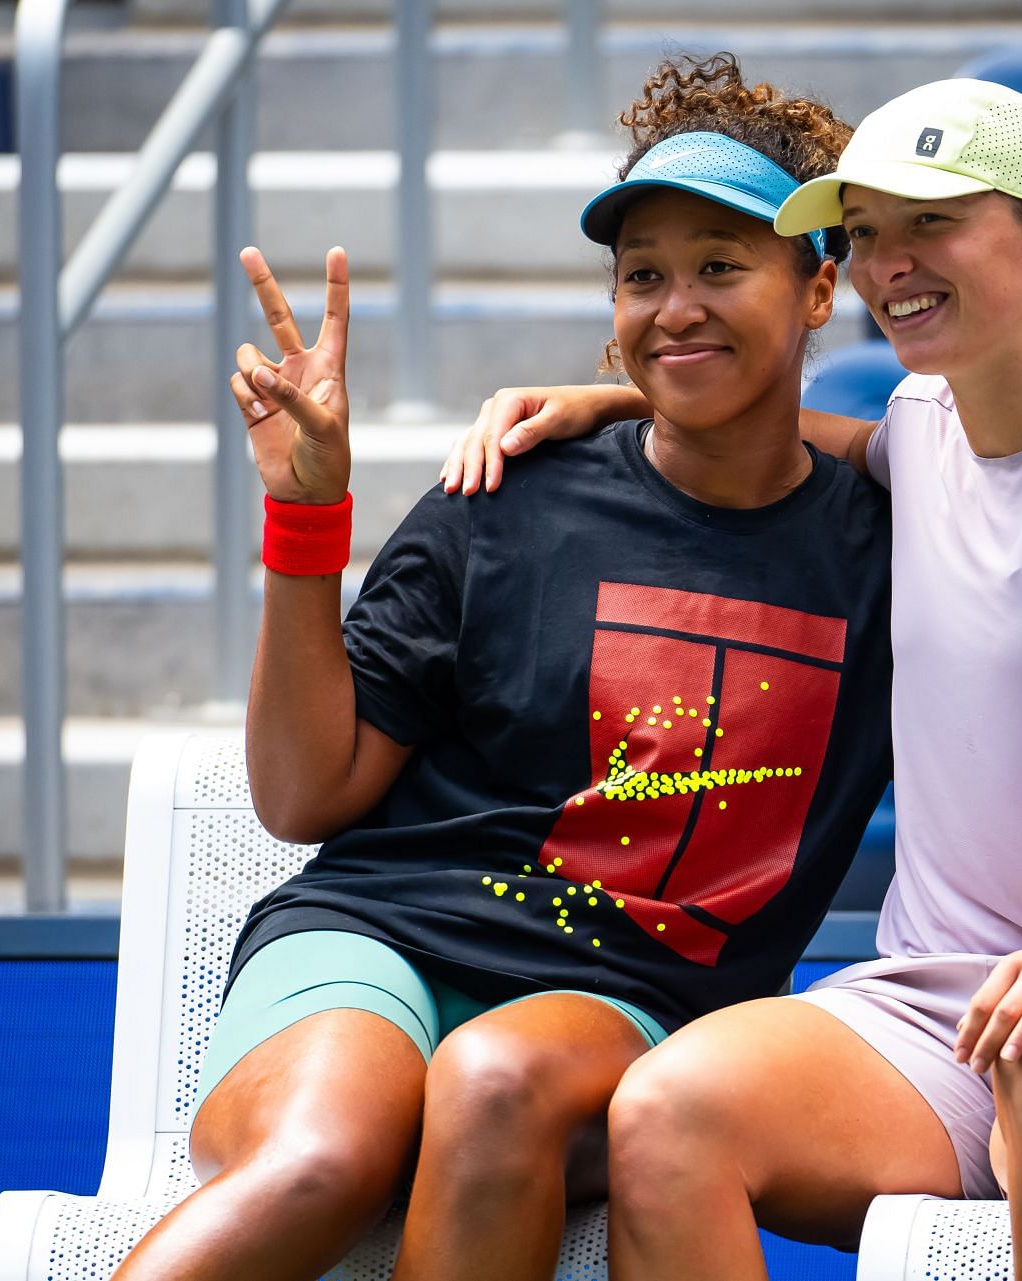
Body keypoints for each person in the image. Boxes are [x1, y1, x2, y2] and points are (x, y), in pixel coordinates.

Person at [441, 78, 1022, 1281]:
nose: (885, 265)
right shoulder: (922, 423)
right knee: (668, 1112)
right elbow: (799, 436)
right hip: (935, 1014)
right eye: (862, 234)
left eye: (929, 224)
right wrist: (616, 402)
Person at [110, 57, 891, 1281]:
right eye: (643, 276)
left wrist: (623, 402)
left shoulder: (899, 540)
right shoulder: (503, 495)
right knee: (321, 1154)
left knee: (497, 1077)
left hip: (632, 996)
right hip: (374, 934)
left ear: (819, 289)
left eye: (721, 268)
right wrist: (308, 522)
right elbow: (305, 798)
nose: (674, 306)